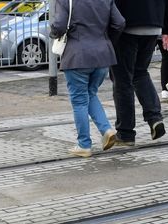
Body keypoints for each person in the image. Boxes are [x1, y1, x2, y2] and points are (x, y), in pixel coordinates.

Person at [51, 0, 126, 157]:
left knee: (79, 101)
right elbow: (119, 23)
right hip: (103, 56)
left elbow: (59, 25)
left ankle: (84, 144)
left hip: (77, 55)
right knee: (90, 93)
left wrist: (54, 34)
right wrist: (105, 41)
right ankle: (106, 130)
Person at [111, 0, 168, 147]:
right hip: (153, 24)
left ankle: (125, 133)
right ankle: (154, 118)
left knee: (122, 79)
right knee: (140, 72)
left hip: (126, 23)